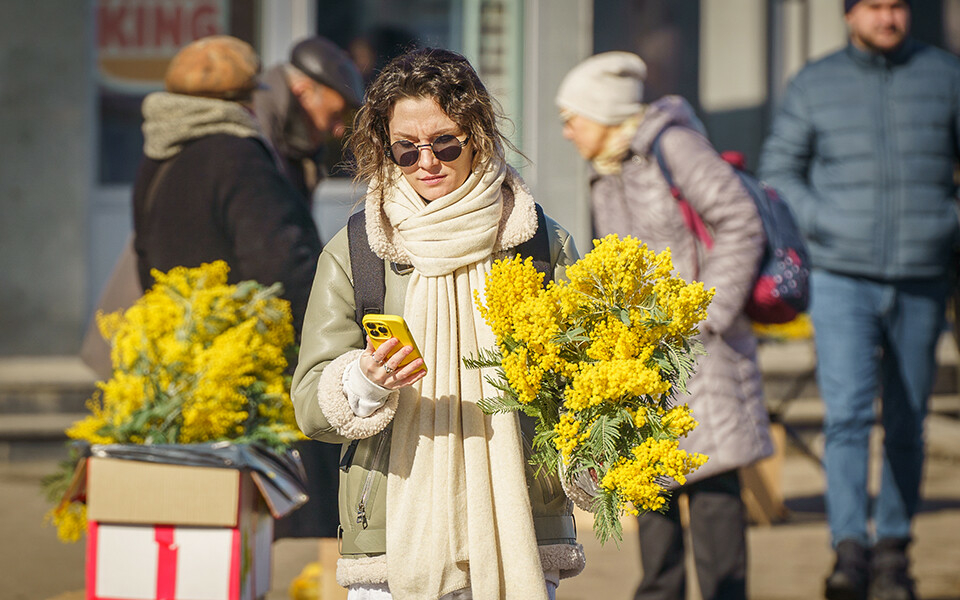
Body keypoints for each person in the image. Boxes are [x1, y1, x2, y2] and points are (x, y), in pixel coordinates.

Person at [291, 47, 585, 600]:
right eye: (406, 148)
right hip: (392, 541)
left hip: (519, 533)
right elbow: (310, 404)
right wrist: (365, 381)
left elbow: (585, 387)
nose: (426, 162)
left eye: (445, 142)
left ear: (478, 136)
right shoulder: (358, 250)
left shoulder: (541, 244)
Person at [759, 2, 960, 599]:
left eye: (897, 6)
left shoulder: (945, 75)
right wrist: (829, 223)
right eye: (873, 6)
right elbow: (779, 172)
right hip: (842, 279)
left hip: (923, 276)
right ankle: (848, 549)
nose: (887, 18)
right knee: (846, 416)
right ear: (850, 15)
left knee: (907, 420)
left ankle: (894, 551)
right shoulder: (815, 82)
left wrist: (946, 222)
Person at [555, 51, 773, 600]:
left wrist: (705, 315)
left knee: (713, 483)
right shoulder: (608, 169)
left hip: (701, 348)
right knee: (649, 482)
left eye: (571, 117)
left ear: (603, 113)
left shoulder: (674, 146)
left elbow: (741, 221)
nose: (566, 131)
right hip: (643, 355)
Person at [132, 35, 321, 338]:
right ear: (244, 101)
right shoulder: (239, 155)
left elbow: (144, 256)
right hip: (241, 345)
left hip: (178, 342)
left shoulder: (158, 155)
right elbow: (280, 261)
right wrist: (319, 333)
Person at [253, 35, 365, 204]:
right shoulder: (256, 135)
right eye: (334, 115)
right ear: (303, 92)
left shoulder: (293, 146)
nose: (339, 130)